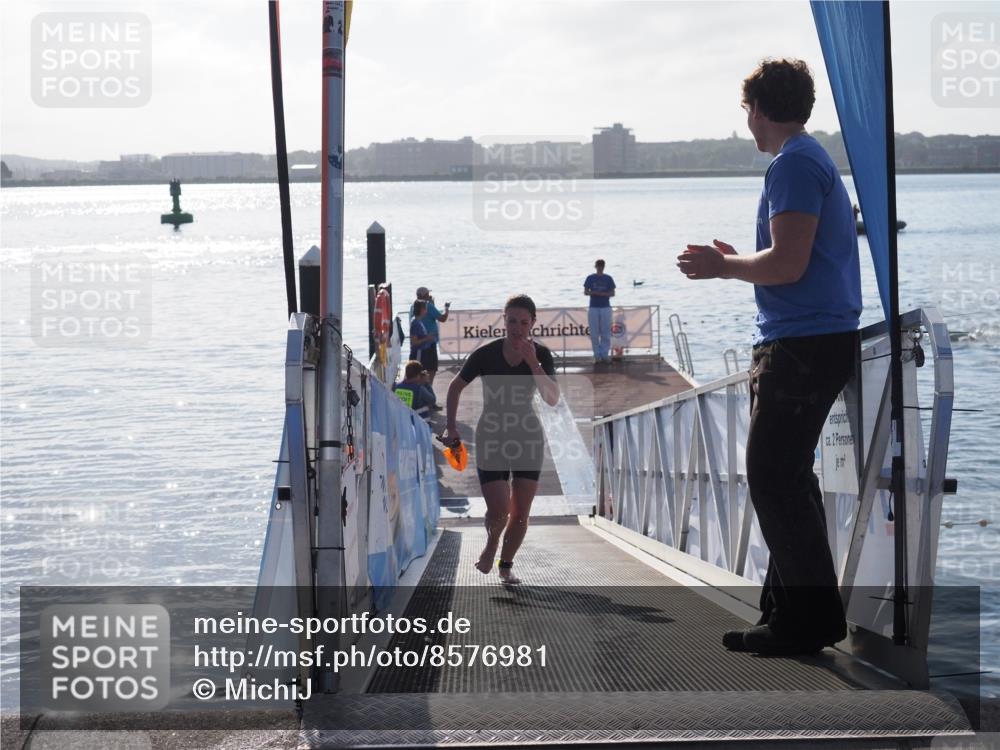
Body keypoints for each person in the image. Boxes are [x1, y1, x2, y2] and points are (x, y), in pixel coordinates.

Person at [676, 58, 861, 656]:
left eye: (746, 112)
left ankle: (808, 619)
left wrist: (722, 266)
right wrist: (740, 260)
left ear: (759, 108)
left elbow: (789, 264)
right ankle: (787, 612)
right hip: (813, 340)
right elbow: (790, 257)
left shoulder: (793, 164)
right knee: (786, 477)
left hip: (803, 345)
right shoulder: (807, 160)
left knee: (772, 475)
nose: (747, 124)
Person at [442, 294, 560, 584]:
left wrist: (533, 363)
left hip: (527, 435)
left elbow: (552, 398)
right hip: (492, 434)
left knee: (520, 514)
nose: (517, 327)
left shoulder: (542, 355)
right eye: (511, 321)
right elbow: (455, 387)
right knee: (499, 510)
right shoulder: (486, 354)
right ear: (503, 321)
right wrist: (452, 428)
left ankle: (505, 565)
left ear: (533, 323)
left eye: (523, 322)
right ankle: (492, 544)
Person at [410, 286, 450, 401]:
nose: (429, 296)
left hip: (425, 346)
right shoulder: (427, 306)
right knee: (429, 371)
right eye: (427, 294)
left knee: (425, 371)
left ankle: (427, 396)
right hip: (426, 347)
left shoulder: (413, 306)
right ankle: (426, 397)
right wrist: (446, 308)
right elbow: (442, 318)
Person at [583, 260, 616, 363]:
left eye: (602, 266)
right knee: (594, 332)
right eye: (599, 266)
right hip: (593, 307)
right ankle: (597, 354)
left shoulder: (608, 278)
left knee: (606, 332)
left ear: (604, 267)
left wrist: (604, 294)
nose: (600, 268)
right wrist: (594, 292)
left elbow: (612, 293)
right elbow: (585, 292)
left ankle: (604, 354)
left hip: (605, 307)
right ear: (596, 266)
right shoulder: (590, 278)